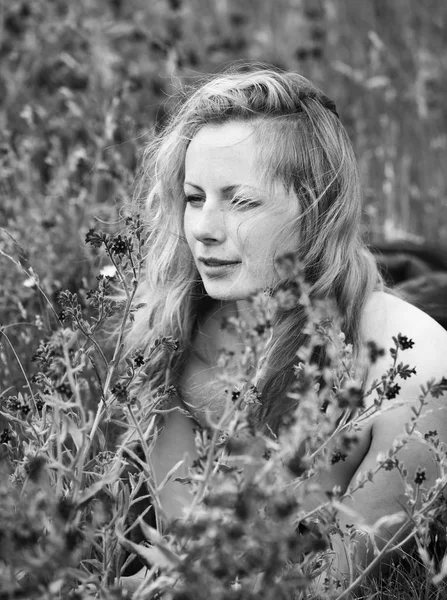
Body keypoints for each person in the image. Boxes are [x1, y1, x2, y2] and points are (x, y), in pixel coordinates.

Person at [120, 64, 447, 590]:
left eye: (241, 200)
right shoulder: (173, 321)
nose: (203, 229)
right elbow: (186, 552)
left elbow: (336, 576)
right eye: (195, 197)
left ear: (317, 208)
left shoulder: (416, 365)